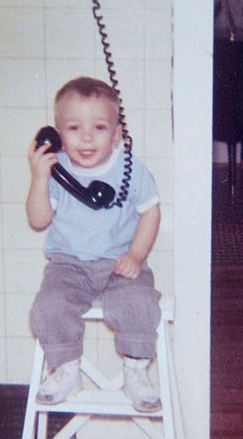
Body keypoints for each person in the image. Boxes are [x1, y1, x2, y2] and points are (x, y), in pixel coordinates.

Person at [26, 76, 162, 412]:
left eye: (99, 128)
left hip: (120, 262)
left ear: (116, 135)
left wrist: (136, 254)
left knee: (140, 300)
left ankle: (136, 370)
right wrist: (40, 178)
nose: (86, 137)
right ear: (57, 136)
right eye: (74, 128)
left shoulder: (130, 168)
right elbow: (38, 219)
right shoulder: (58, 170)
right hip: (68, 265)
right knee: (49, 305)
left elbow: (151, 212)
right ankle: (66, 368)